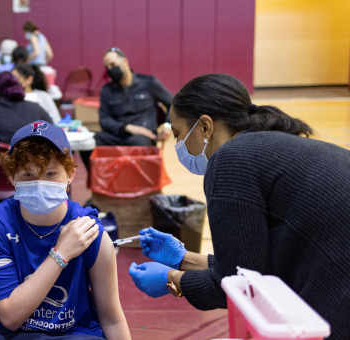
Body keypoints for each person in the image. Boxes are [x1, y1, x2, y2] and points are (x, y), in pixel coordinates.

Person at [128, 74, 350, 340]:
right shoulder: (266, 145)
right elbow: (251, 265)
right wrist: (185, 259)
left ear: (205, 127)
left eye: (178, 134)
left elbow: (238, 285)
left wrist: (172, 280)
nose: (178, 145)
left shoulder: (230, 161)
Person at [0, 121, 131, 339]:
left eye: (50, 174)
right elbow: (10, 317)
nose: (40, 183)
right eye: (28, 175)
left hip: (75, 333)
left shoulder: (89, 230)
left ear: (70, 175)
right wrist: (61, 254)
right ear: (12, 178)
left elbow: (112, 318)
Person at [96, 47, 172, 148]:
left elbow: (174, 104)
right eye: (107, 67)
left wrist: (168, 126)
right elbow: (104, 120)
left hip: (143, 137)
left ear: (125, 61)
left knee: (138, 143)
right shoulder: (107, 90)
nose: (110, 69)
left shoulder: (149, 83)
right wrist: (127, 127)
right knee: (89, 142)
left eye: (113, 64)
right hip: (117, 135)